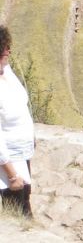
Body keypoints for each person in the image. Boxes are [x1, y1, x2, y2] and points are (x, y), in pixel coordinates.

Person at [0, 25, 35, 218]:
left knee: (25, 201)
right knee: (17, 212)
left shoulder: (7, 71)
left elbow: (21, 104)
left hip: (22, 153)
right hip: (8, 162)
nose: (9, 51)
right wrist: (12, 175)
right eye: (5, 47)